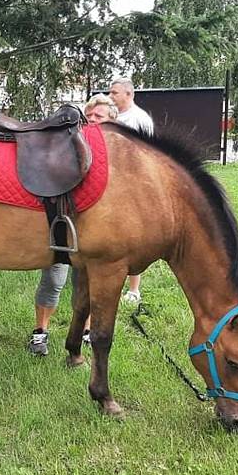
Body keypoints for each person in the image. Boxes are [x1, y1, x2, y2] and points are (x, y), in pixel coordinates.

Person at [28, 94, 117, 355]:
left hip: (93, 231)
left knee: (86, 283)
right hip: (64, 226)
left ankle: (85, 330)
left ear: (113, 120)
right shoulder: (68, 152)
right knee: (52, 279)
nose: (92, 121)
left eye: (99, 117)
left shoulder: (117, 161)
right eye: (89, 116)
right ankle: (40, 332)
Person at [108, 77, 154, 304]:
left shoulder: (140, 119)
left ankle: (133, 289)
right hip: (108, 182)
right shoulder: (110, 115)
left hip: (130, 184)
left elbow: (147, 153)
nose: (111, 97)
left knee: (130, 238)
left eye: (114, 93)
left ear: (129, 94)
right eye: (110, 92)